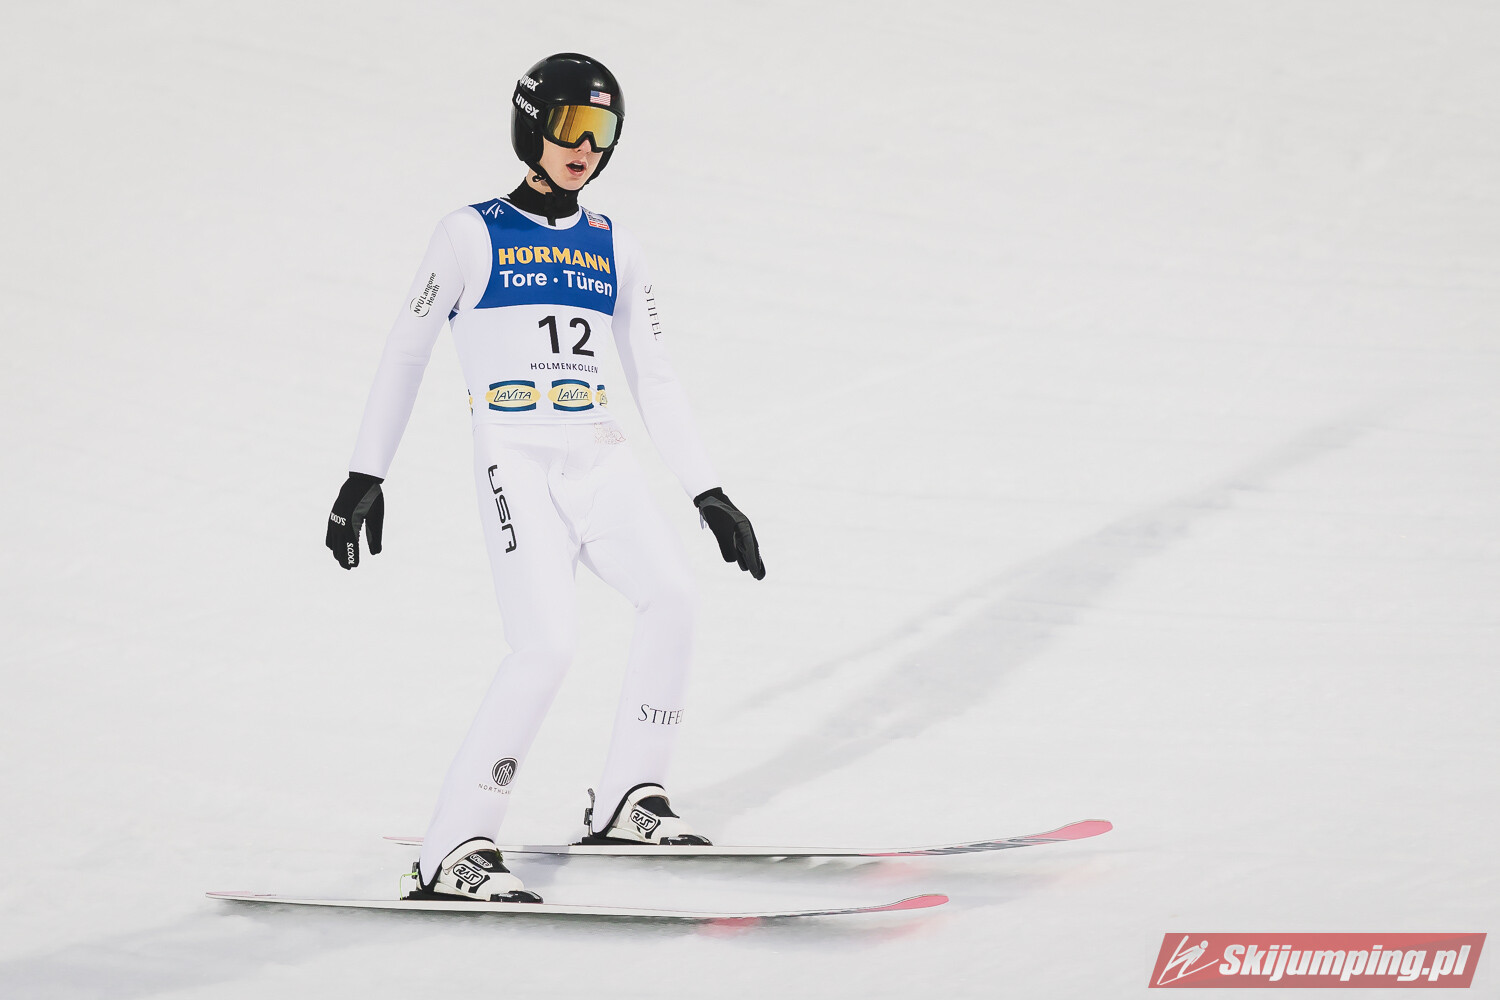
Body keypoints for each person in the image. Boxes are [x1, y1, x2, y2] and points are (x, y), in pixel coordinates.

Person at [324, 53, 764, 904]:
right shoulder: (468, 234)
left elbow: (655, 374)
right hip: (518, 461)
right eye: (570, 127)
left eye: (602, 131)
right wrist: (363, 475)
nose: (585, 148)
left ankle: (630, 796)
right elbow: (406, 351)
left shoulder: (615, 246)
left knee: (673, 599)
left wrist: (707, 490)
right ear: (531, 127)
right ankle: (453, 847)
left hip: (601, 457)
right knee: (547, 646)